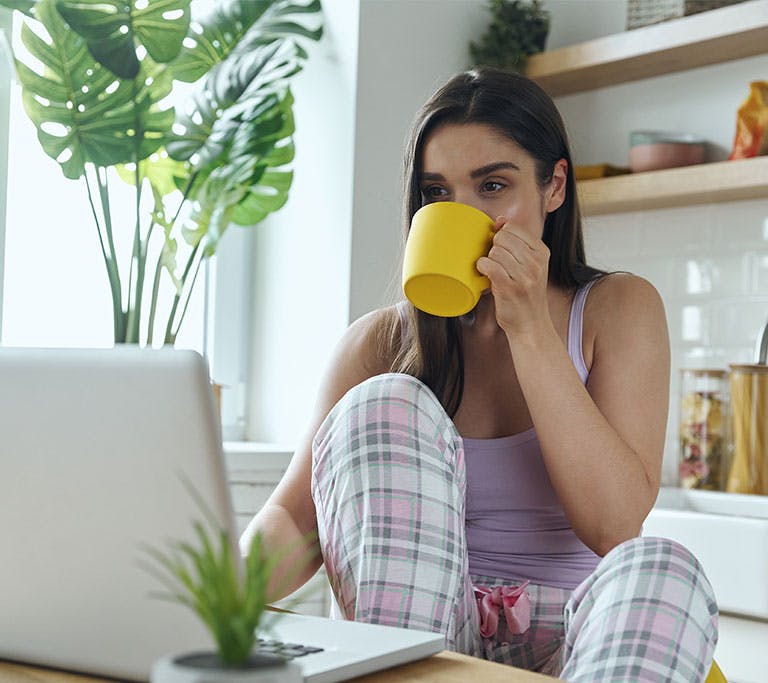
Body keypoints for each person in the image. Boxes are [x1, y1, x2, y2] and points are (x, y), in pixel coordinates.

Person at [240, 67, 718, 681]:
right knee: (385, 403)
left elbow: (614, 525)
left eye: (492, 185)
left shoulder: (618, 309)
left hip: (577, 645)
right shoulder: (378, 344)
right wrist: (200, 602)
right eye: (438, 193)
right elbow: (295, 521)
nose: (463, 213)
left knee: (664, 567)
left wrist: (530, 330)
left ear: (554, 187)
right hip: (421, 642)